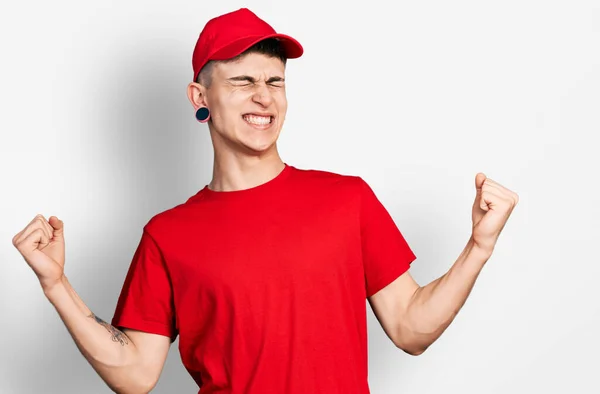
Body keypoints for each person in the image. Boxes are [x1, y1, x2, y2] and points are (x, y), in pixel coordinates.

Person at [11, 7, 519, 394]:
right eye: (244, 81)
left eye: (275, 82)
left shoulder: (347, 199)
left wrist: (478, 247)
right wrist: (56, 284)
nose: (264, 97)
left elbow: (410, 328)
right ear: (199, 96)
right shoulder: (168, 235)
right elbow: (135, 374)